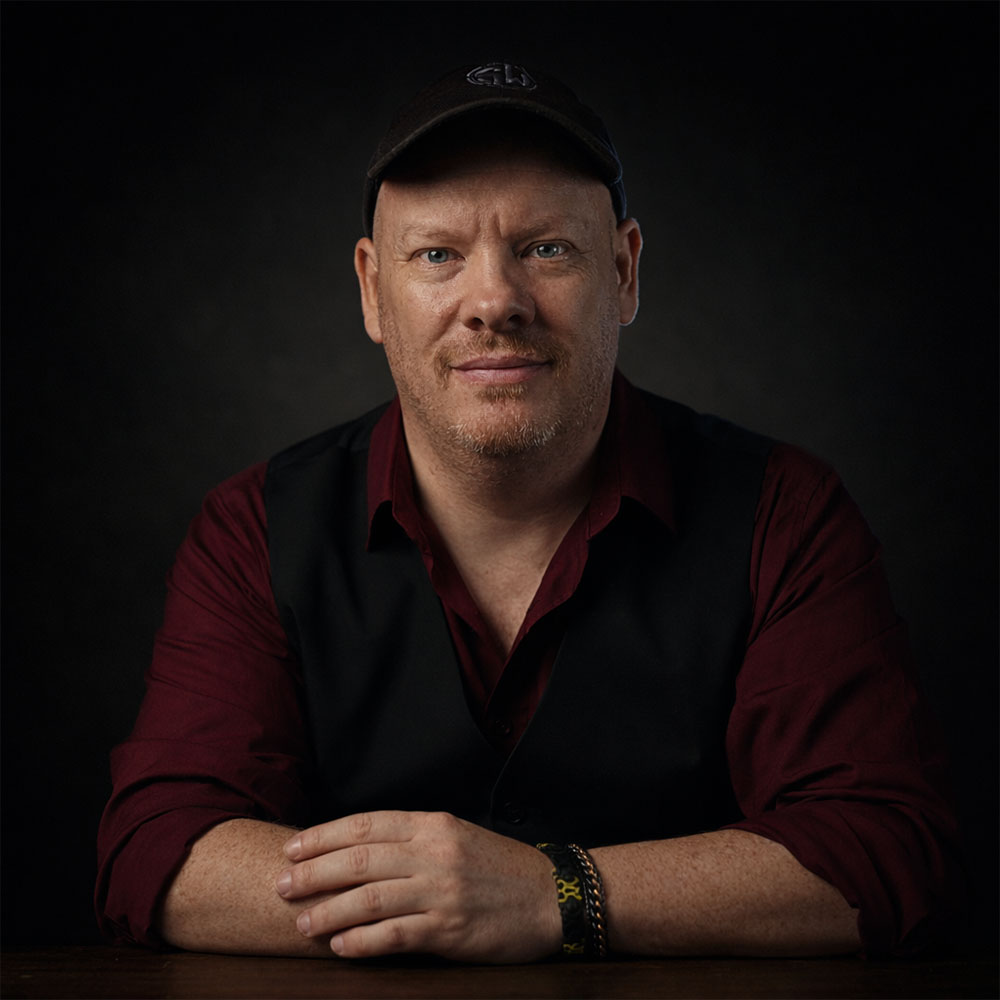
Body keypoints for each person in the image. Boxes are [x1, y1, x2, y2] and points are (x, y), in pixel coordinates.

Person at [95, 61, 964, 962]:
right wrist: (437, 908)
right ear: (370, 291)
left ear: (624, 272)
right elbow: (161, 855)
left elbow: (884, 851)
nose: (494, 303)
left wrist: (554, 892)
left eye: (546, 248)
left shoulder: (785, 514)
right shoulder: (258, 526)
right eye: (437, 255)